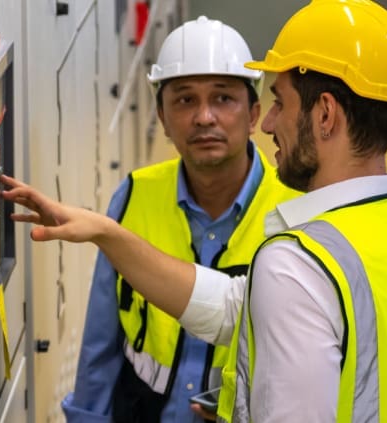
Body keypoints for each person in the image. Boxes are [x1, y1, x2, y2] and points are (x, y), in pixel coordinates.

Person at [9, 1, 387, 421]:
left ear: (325, 115)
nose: (271, 123)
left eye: (280, 102)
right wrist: (108, 232)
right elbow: (232, 306)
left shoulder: (298, 264)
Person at [59, 16, 301, 423]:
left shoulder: (294, 213)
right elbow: (101, 342)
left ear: (254, 113)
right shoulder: (135, 195)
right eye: (185, 100)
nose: (204, 117)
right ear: (162, 117)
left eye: (223, 98)